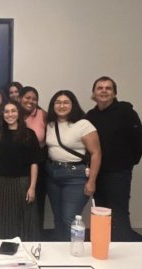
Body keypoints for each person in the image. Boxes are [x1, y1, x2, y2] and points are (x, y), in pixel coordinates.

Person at [86, 76, 142, 241]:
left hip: (119, 173)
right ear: (94, 93)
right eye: (100, 88)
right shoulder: (90, 116)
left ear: (114, 93)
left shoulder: (126, 112)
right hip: (98, 173)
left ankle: (123, 248)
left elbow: (139, 139)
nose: (104, 91)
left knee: (118, 213)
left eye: (108, 88)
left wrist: (129, 162)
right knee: (101, 212)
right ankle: (104, 247)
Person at [45, 90, 101, 240]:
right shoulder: (50, 124)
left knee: (69, 218)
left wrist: (92, 182)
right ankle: (60, 251)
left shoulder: (84, 124)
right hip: (53, 174)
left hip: (75, 177)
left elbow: (96, 153)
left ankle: (75, 253)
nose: (61, 105)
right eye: (58, 102)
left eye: (66, 102)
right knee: (58, 217)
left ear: (73, 105)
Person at [0, 101, 41, 241]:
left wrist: (32, 187)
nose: (10, 114)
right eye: (6, 111)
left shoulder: (29, 134)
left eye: (13, 111)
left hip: (23, 182)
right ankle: (7, 250)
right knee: (6, 218)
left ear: (19, 113)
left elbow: (34, 162)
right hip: (4, 182)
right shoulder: (0, 134)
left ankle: (26, 251)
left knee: (26, 218)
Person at [19, 86, 48, 235]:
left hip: (39, 166)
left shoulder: (43, 115)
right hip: (18, 168)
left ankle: (36, 235)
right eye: (27, 97)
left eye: (34, 99)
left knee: (36, 202)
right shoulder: (13, 113)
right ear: (20, 98)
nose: (30, 101)